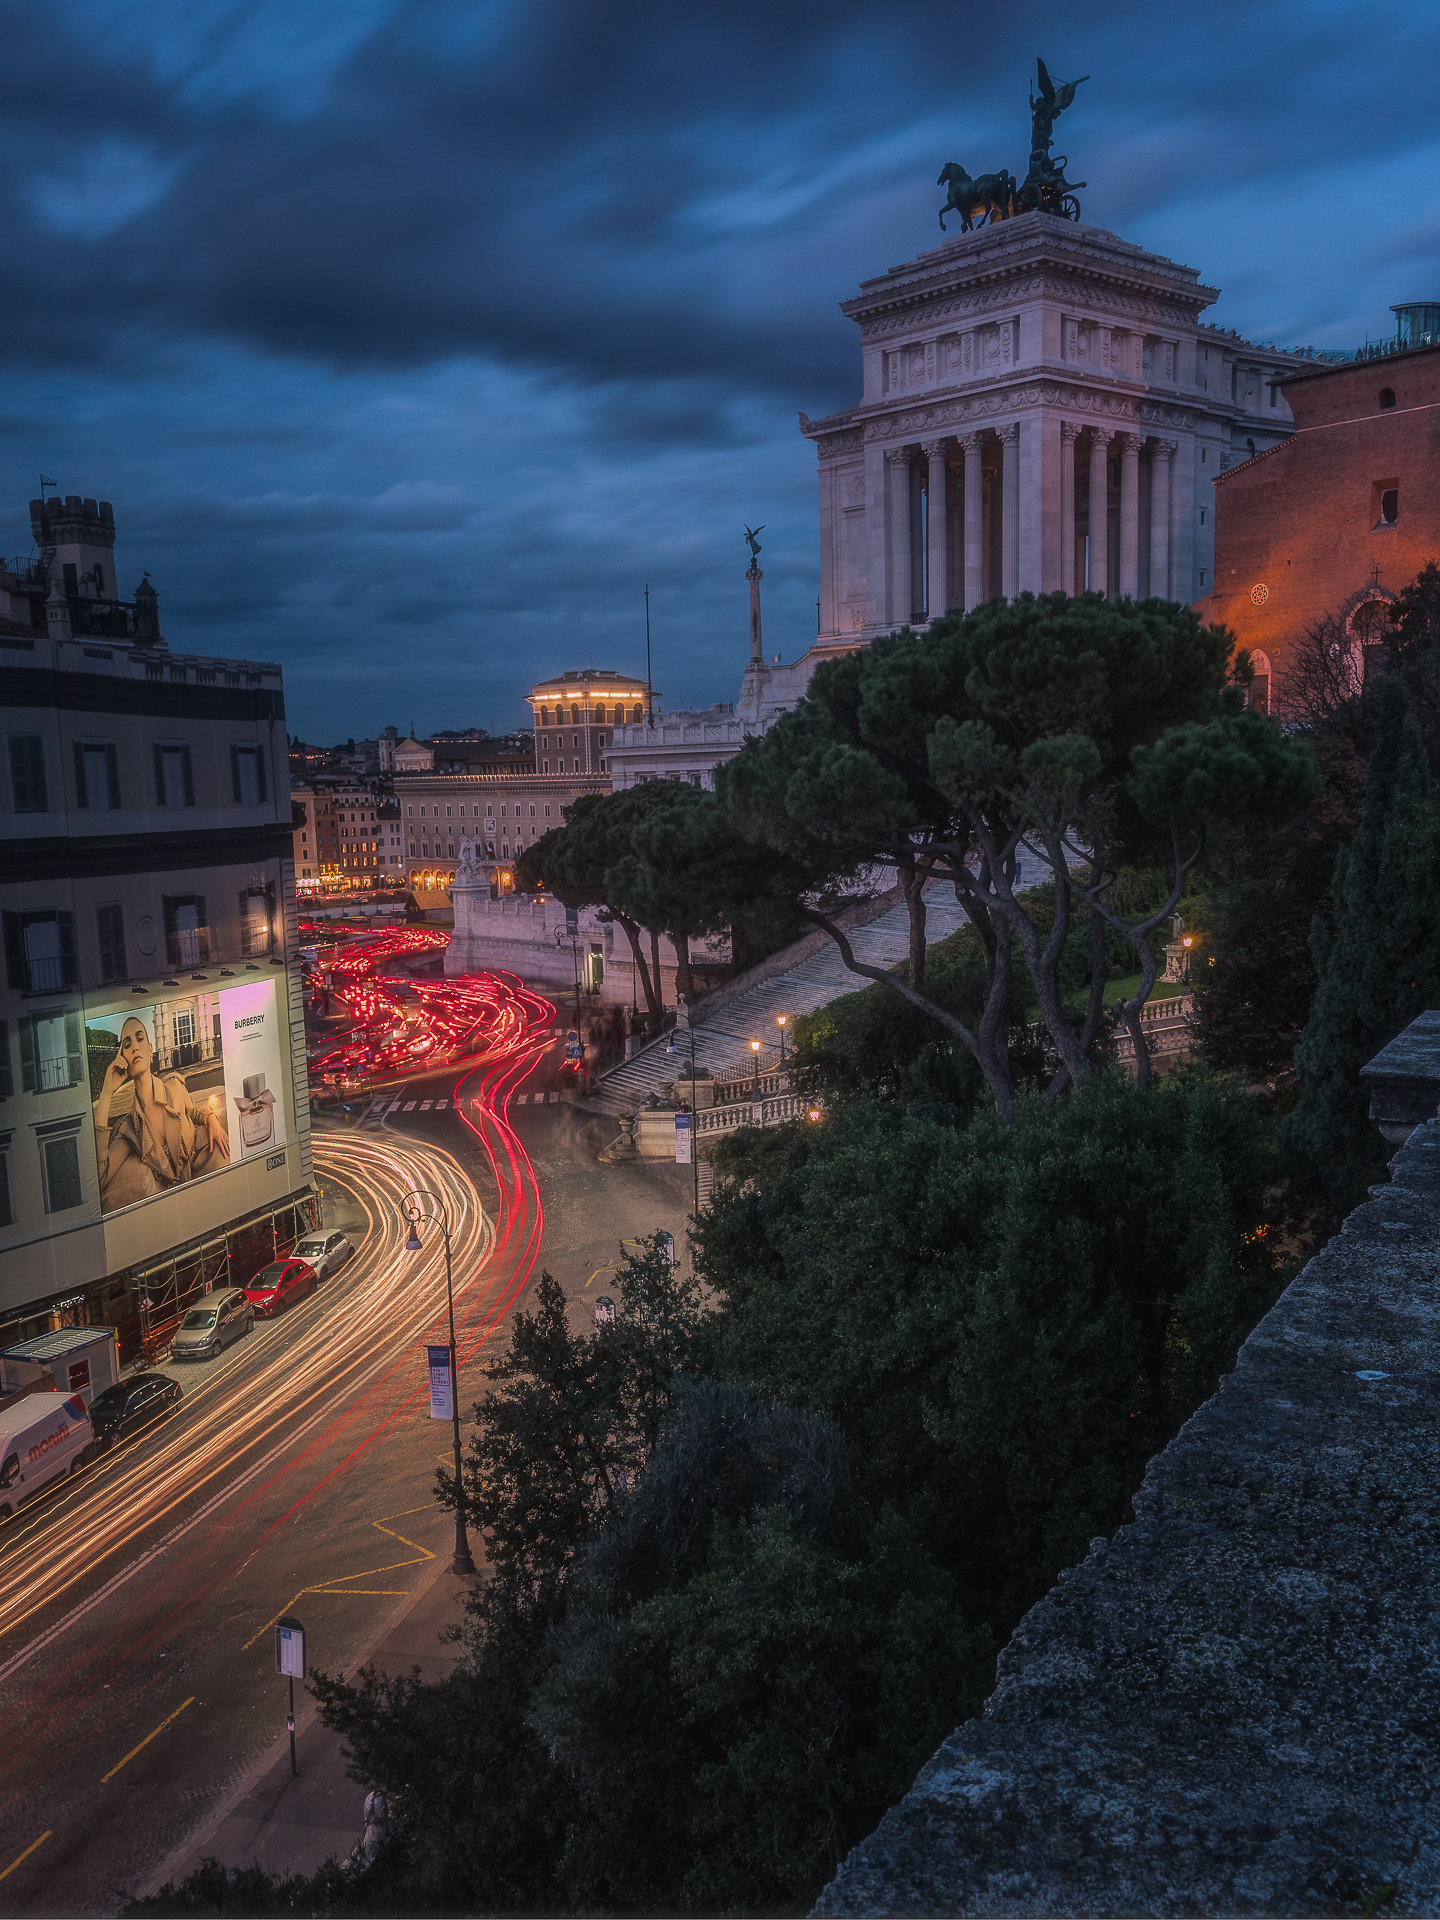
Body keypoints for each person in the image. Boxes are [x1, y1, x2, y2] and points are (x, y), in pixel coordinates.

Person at [92, 1015, 231, 1212]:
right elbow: (99, 1177)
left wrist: (212, 1119)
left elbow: (195, 1110)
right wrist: (106, 1092)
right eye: (127, 1043)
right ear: (122, 1058)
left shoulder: (173, 1085)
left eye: (139, 1039)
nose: (134, 1047)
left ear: (150, 1050)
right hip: (173, 1210)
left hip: (206, 1181)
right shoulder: (129, 1128)